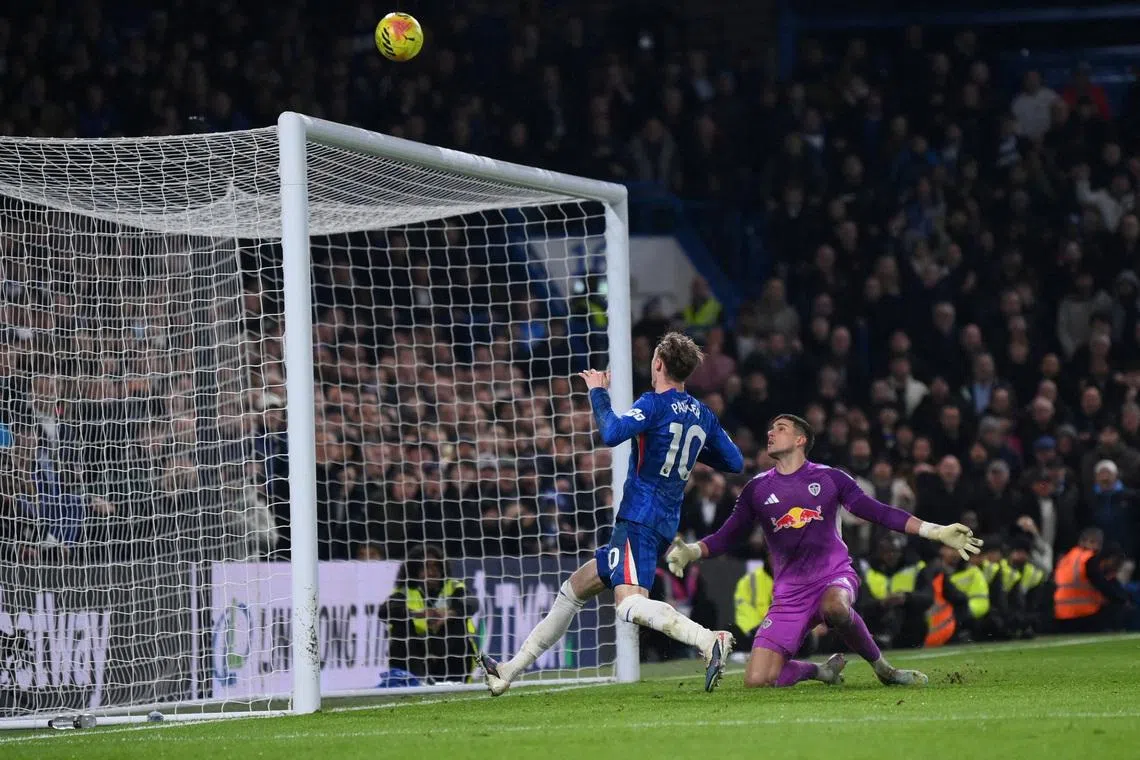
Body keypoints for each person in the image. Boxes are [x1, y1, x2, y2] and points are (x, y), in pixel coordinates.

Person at [480, 332, 744, 696]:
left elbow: (612, 432)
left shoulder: (653, 404)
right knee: (572, 591)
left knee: (628, 605)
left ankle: (707, 639)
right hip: (661, 520)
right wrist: (692, 448)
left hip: (639, 516)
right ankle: (507, 671)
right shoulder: (702, 413)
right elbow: (734, 460)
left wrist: (597, 390)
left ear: (658, 364)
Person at [666, 414, 982, 688]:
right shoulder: (757, 489)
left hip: (833, 575)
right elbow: (728, 535)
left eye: (781, 428)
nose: (771, 433)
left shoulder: (830, 479)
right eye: (771, 429)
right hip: (790, 593)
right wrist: (692, 551)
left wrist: (936, 530)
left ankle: (884, 669)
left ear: (801, 439)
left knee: (835, 607)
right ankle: (821, 671)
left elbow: (879, 512)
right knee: (757, 681)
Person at [380, 544, 479, 683]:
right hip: (416, 652)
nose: (432, 572)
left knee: (458, 621)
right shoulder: (406, 591)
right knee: (400, 625)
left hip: (449, 651)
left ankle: (455, 680)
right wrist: (417, 614)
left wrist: (448, 614)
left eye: (436, 566)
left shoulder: (454, 587)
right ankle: (417, 679)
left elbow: (472, 603)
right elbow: (384, 611)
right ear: (415, 569)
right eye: (426, 567)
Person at [1053, 527, 1131, 632]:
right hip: (1082, 614)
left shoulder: (1067, 558)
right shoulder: (1088, 559)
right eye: (1095, 542)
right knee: (1115, 605)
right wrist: (1122, 599)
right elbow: (1101, 584)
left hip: (1060, 613)